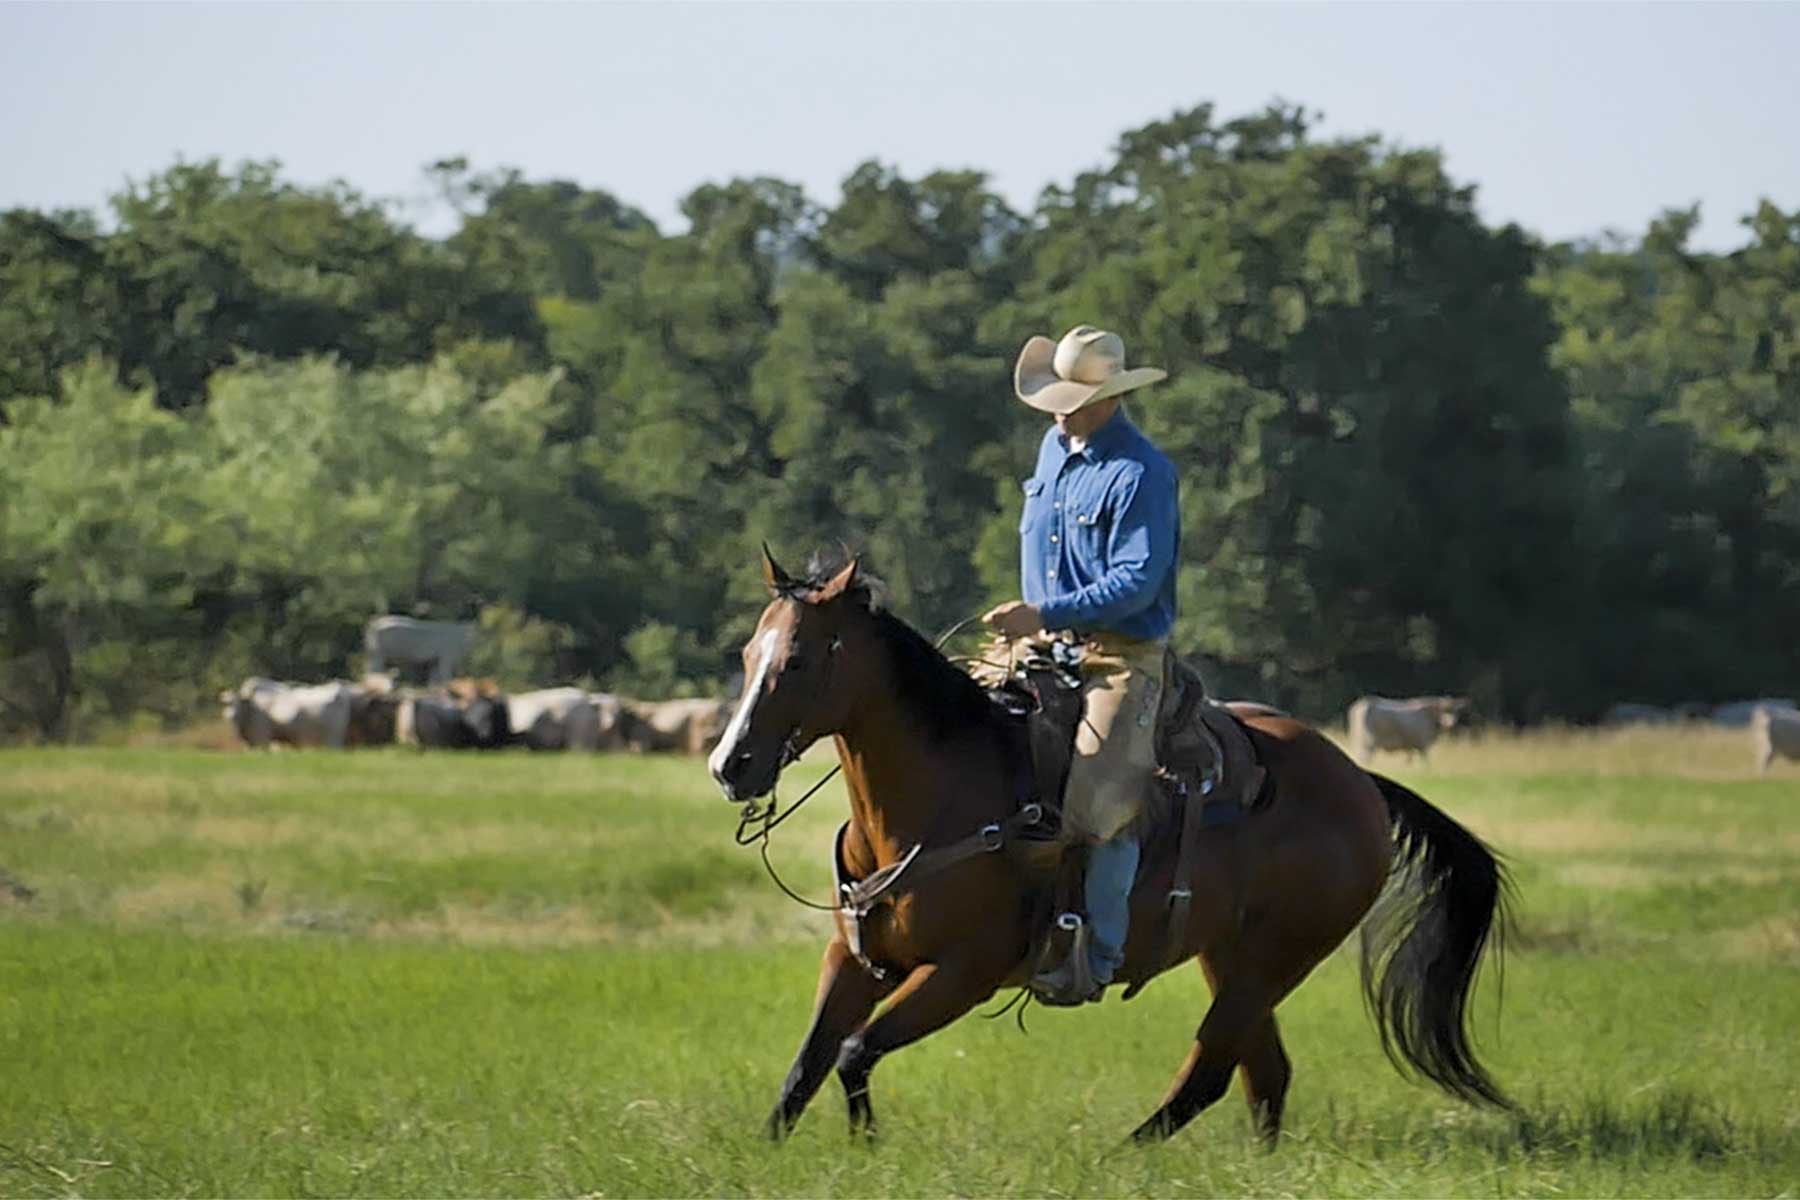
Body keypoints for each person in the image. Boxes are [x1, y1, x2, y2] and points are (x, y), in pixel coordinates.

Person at [982, 324, 1180, 1006]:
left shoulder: (1142, 473)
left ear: (1109, 397)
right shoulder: (1053, 447)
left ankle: (1094, 955)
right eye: (1053, 398)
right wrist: (1033, 631)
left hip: (1120, 659)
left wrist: (1044, 615)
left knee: (1102, 802)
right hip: (1040, 649)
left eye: (1070, 398)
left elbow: (1138, 582)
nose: (1056, 409)